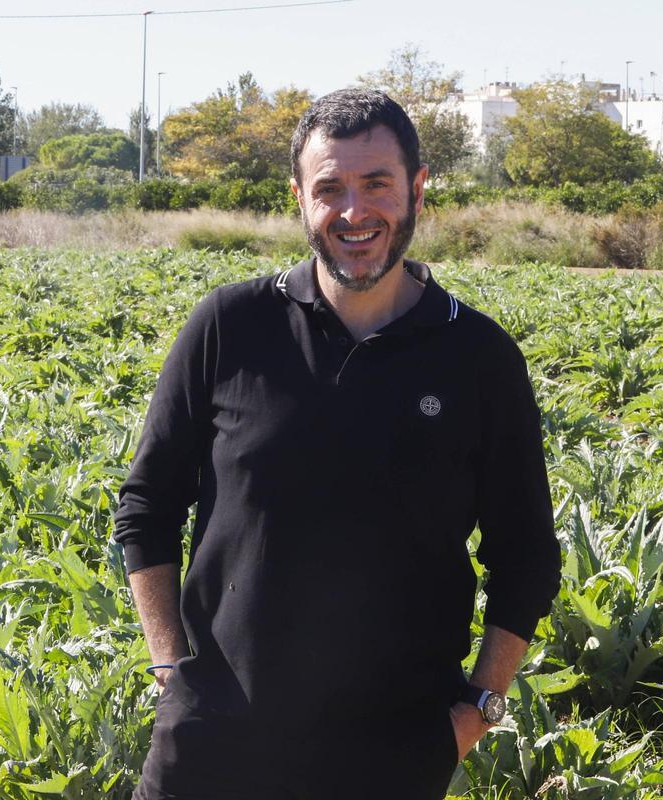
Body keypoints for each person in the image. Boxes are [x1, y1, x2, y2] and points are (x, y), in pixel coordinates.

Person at [114, 88, 561, 800]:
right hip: (211, 748)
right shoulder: (229, 327)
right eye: (330, 189)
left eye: (377, 184)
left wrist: (477, 711)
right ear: (299, 197)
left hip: (391, 757)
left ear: (417, 190)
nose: (354, 213)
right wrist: (172, 672)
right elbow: (146, 507)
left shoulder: (479, 358)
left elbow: (527, 554)